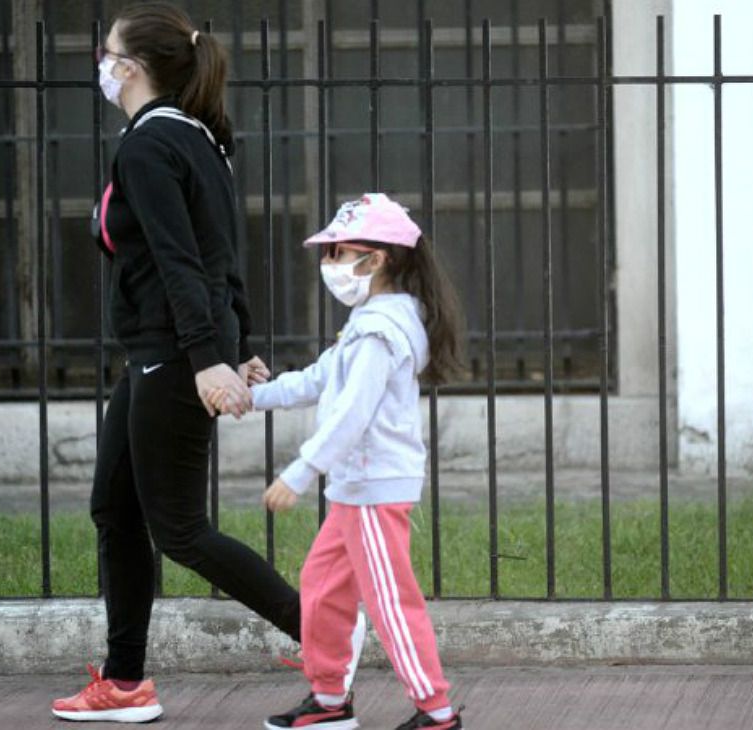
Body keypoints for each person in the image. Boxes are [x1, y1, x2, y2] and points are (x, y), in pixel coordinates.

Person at [52, 2, 332, 722]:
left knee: (178, 528)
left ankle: (322, 635)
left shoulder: (150, 144)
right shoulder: (197, 137)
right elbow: (219, 257)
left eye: (106, 52)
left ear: (132, 67)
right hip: (162, 354)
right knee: (115, 510)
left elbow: (188, 261)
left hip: (172, 357)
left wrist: (213, 358)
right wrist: (238, 344)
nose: (100, 63)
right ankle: (124, 683)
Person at [229, 193, 468, 730]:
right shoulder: (371, 321)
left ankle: (437, 712)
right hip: (355, 490)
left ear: (375, 259)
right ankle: (330, 700)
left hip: (373, 487)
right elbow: (317, 381)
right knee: (322, 586)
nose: (328, 265)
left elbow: (351, 415)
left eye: (337, 252)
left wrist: (300, 470)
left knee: (390, 602)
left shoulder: (380, 331)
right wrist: (247, 397)